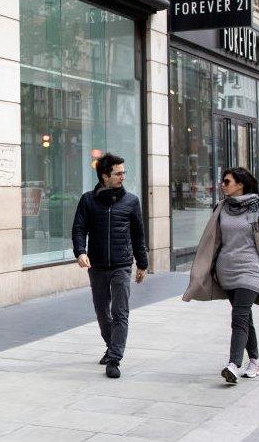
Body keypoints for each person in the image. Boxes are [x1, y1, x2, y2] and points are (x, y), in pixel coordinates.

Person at [182, 167, 259, 385]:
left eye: (226, 182)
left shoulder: (258, 207)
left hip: (251, 269)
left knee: (238, 317)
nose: (222, 184)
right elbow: (214, 241)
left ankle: (233, 365)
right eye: (223, 181)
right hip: (226, 271)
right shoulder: (221, 208)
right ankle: (255, 361)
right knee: (245, 317)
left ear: (240, 185)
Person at [72, 153, 149, 379]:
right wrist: (81, 252)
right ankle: (111, 345)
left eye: (124, 173)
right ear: (105, 176)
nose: (123, 177)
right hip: (96, 265)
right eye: (118, 173)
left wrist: (142, 263)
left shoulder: (131, 201)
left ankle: (114, 359)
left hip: (122, 265)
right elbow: (79, 229)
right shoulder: (88, 200)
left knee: (120, 311)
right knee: (101, 311)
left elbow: (138, 234)